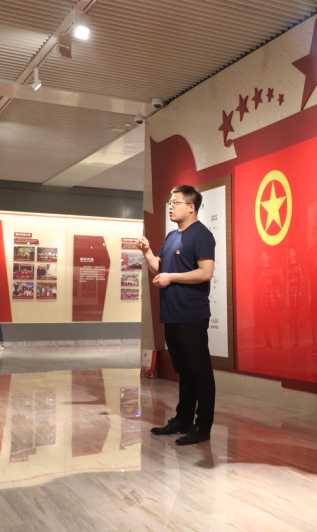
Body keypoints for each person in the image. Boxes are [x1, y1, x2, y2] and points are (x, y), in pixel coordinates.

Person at [138, 184, 216, 445]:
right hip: (171, 314)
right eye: (169, 203)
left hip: (192, 314)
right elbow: (159, 269)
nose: (170, 207)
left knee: (200, 372)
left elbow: (205, 272)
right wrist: (147, 251)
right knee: (184, 371)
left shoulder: (201, 235)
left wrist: (171, 277)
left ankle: (202, 427)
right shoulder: (172, 236)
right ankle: (183, 419)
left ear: (191, 207)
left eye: (176, 202)